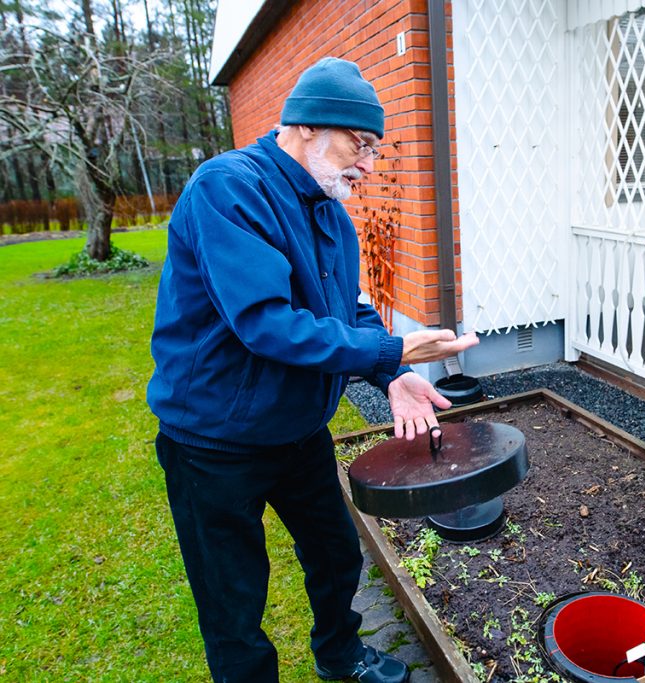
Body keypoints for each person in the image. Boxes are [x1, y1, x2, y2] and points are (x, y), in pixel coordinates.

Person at [147, 57, 479, 683]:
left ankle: (341, 655)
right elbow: (267, 323)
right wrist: (396, 352)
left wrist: (391, 377)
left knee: (334, 551)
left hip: (298, 431)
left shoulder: (330, 209)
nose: (369, 163)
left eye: (375, 149)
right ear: (306, 125)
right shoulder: (228, 189)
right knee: (232, 594)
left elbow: (349, 307)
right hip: (212, 443)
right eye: (362, 143)